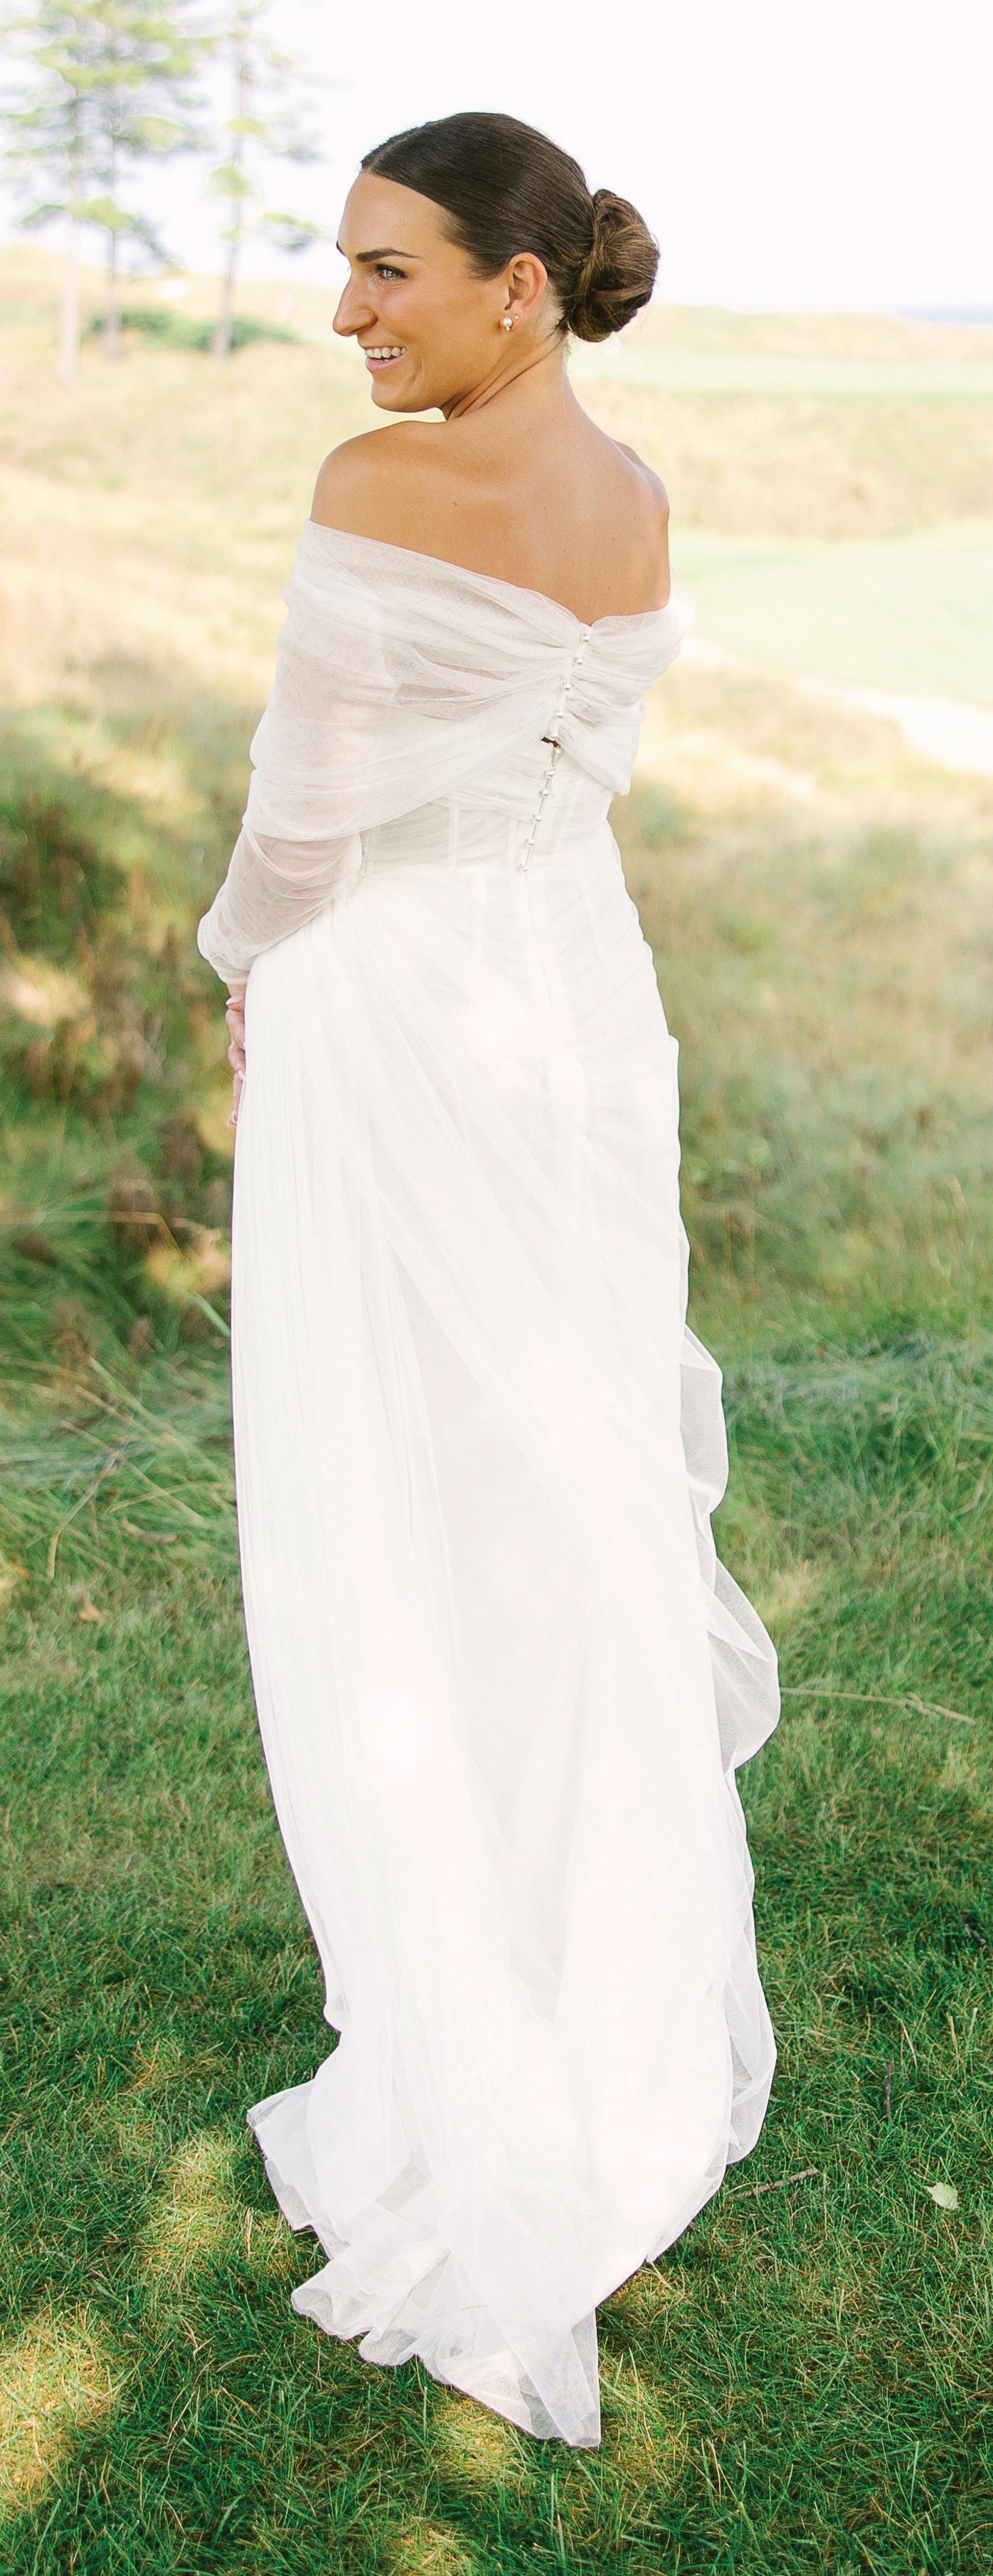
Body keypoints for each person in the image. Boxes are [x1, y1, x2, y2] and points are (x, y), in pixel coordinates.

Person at [197, 110, 780, 2451]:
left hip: (405, 1015)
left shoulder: (380, 489)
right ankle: (593, 2013)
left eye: (386, 270)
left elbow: (303, 815)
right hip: (574, 1018)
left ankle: (478, 2035)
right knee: (566, 1511)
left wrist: (234, 967)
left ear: (516, 285)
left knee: (402, 1516)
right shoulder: (629, 496)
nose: (345, 312)